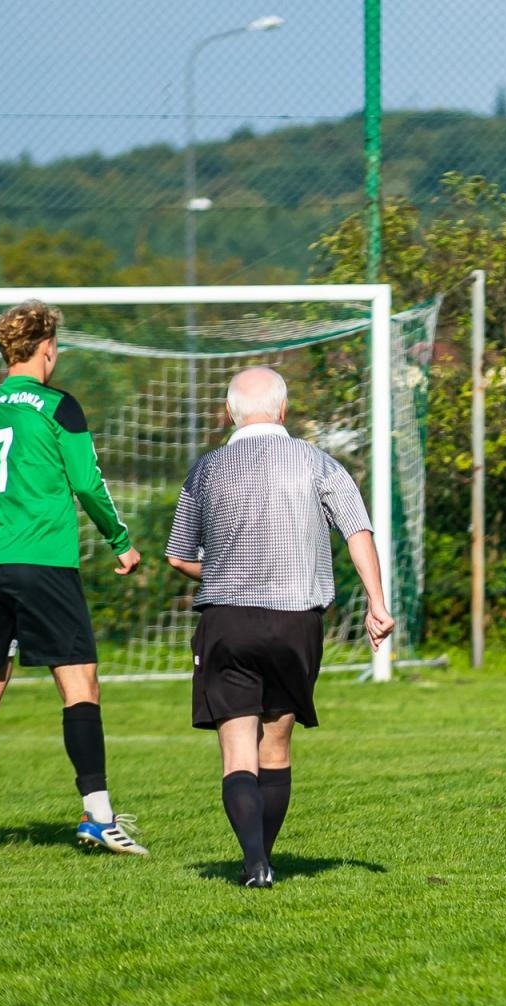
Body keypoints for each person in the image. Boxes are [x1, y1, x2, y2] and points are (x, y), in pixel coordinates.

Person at [165, 366, 394, 888]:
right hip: (297, 621)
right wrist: (376, 603)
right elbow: (358, 529)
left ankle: (253, 863)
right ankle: (264, 857)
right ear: (284, 410)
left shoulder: (207, 469)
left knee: (237, 750)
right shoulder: (319, 463)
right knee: (277, 746)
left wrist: (225, 567)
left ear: (229, 414)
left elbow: (178, 556)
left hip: (227, 619)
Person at [0, 299, 148, 856]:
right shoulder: (58, 406)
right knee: (79, 684)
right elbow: (86, 481)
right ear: (48, 349)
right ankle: (98, 815)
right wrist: (121, 542)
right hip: (45, 564)